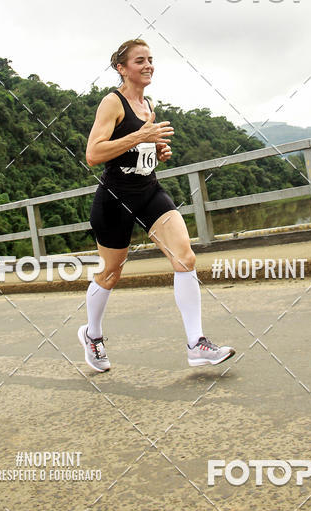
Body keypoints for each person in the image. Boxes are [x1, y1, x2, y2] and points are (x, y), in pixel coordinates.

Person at [78, 38, 236, 372]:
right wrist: (139, 137)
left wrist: (157, 151)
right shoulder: (112, 102)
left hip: (149, 191)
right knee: (110, 273)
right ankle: (92, 335)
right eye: (139, 61)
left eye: (150, 59)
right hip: (115, 199)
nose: (148, 65)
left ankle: (196, 344)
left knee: (185, 256)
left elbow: (141, 150)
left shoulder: (149, 104)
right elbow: (93, 154)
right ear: (121, 68)